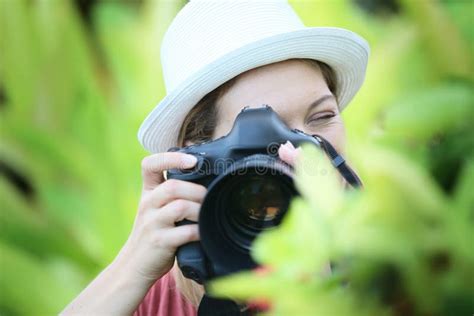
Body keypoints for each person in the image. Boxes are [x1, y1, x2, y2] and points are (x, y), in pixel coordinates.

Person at [61, 0, 369, 315]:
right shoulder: (160, 300)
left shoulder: (401, 261)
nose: (302, 148)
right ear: (197, 155)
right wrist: (131, 269)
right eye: (271, 136)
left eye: (322, 116)